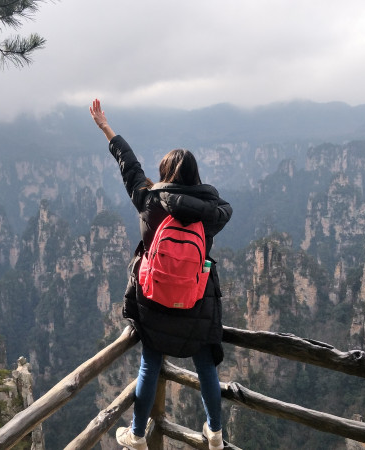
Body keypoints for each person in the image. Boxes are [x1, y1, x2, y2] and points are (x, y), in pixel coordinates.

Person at [89, 99, 232, 450]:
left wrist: (106, 128)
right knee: (207, 366)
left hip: (154, 300)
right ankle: (215, 433)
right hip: (196, 302)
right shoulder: (211, 214)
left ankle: (137, 435)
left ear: (166, 173)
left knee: (149, 365)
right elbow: (226, 209)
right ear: (195, 176)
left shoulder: (150, 201)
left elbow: (130, 167)